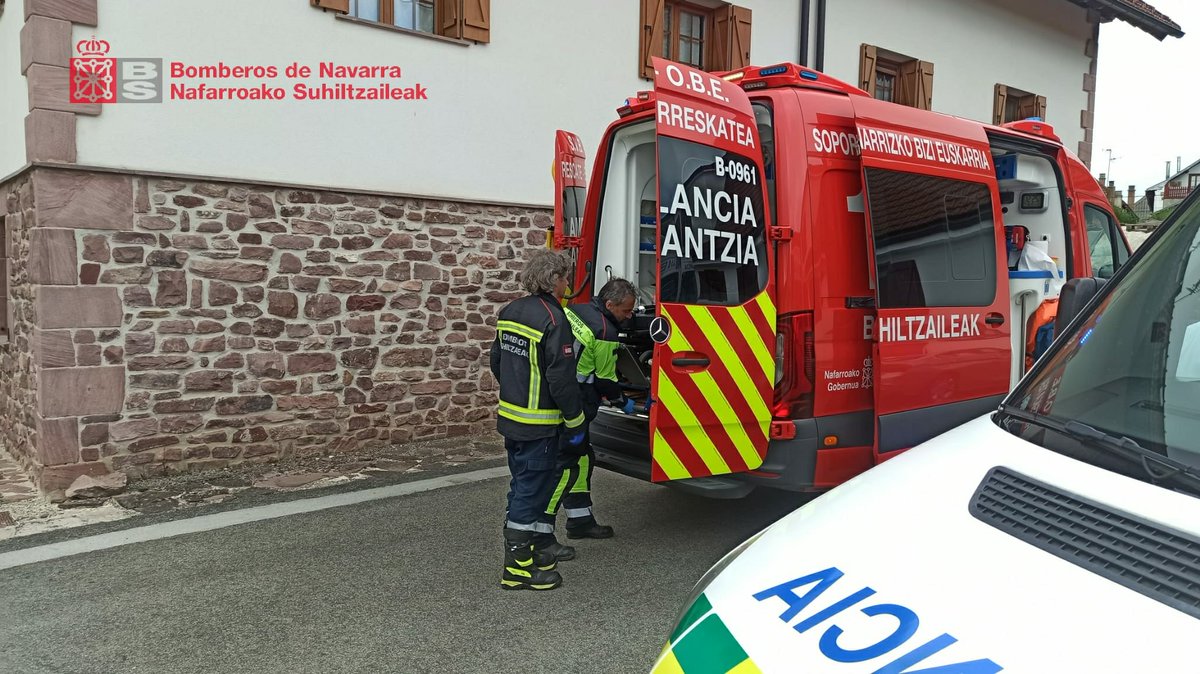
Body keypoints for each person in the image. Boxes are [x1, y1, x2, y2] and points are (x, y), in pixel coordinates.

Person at [490, 249, 586, 591]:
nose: (568, 283)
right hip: (539, 424)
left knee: (522, 486)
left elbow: (497, 360)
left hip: (512, 418)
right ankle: (517, 570)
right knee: (530, 492)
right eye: (565, 277)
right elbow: (561, 379)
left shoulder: (511, 311)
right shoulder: (554, 318)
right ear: (554, 280)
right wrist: (576, 421)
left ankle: (532, 550)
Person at [544, 277, 640, 540]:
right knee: (565, 464)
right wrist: (624, 402)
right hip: (577, 403)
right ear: (609, 305)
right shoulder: (606, 331)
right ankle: (540, 531)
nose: (629, 316)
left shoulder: (576, 310)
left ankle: (580, 520)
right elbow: (605, 380)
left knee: (582, 457)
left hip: (557, 396)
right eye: (626, 310)